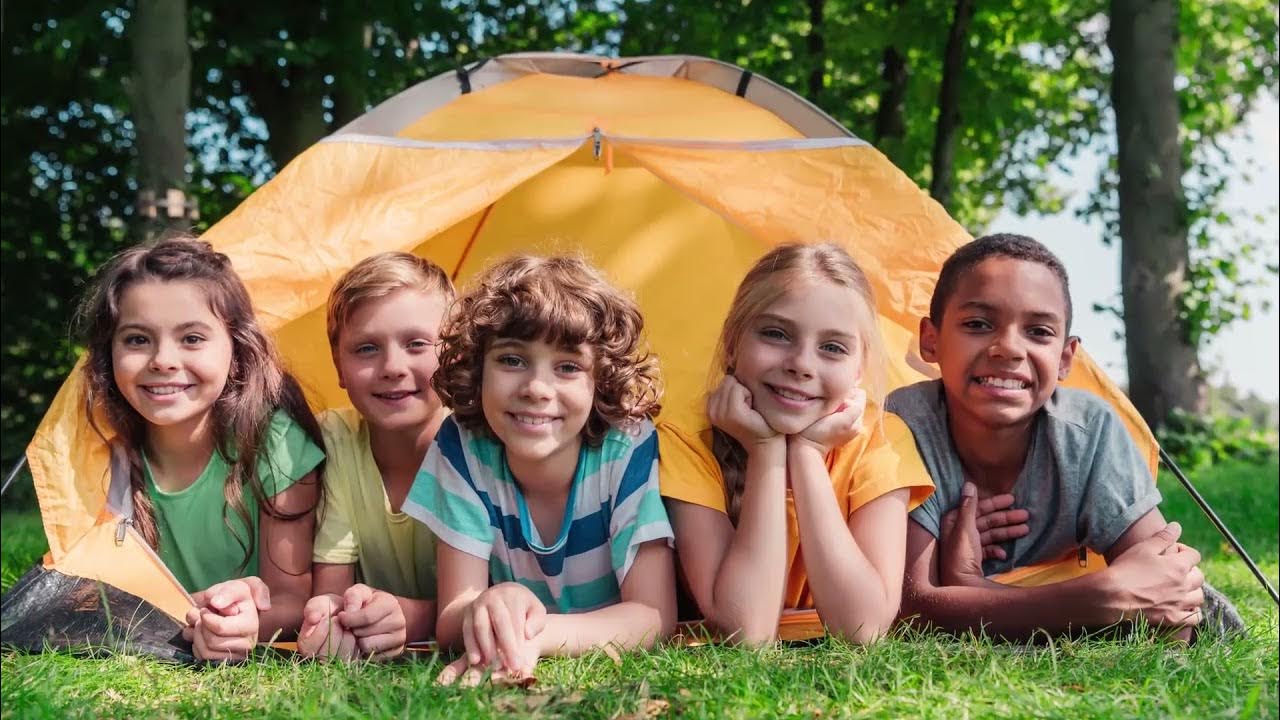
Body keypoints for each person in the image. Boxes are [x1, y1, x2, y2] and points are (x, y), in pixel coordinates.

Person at [893, 232, 1234, 640]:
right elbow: (909, 609)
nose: (1008, 349)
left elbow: (1167, 599)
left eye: (1038, 332)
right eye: (978, 324)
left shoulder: (1087, 432)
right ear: (931, 340)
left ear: (1066, 357)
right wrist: (1101, 598)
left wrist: (968, 588)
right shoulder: (906, 423)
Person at [402, 255, 675, 684]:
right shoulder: (463, 445)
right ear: (478, 369)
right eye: (512, 360)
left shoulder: (627, 446)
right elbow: (452, 615)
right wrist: (485, 606)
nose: (536, 389)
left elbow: (652, 616)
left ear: (600, 380)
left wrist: (533, 636)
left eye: (567, 367)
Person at [659, 243, 934, 645]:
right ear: (733, 344)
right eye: (776, 334)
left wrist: (807, 454)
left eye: (833, 348)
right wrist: (766, 451)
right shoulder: (685, 438)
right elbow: (746, 631)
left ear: (858, 368)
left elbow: (864, 629)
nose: (801, 365)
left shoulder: (882, 439)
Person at [77, 236, 324, 661]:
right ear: (108, 352)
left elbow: (291, 600)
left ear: (237, 349)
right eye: (137, 340)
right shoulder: (97, 450)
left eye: (192, 338)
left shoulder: (276, 444)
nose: (163, 360)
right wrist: (186, 617)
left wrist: (241, 623)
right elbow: (83, 593)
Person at [296, 252, 453, 660]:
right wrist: (331, 617)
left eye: (417, 344)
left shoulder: (481, 444)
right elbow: (331, 591)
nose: (392, 366)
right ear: (339, 367)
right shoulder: (334, 439)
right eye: (366, 349)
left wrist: (413, 617)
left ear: (454, 354)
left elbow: (492, 594)